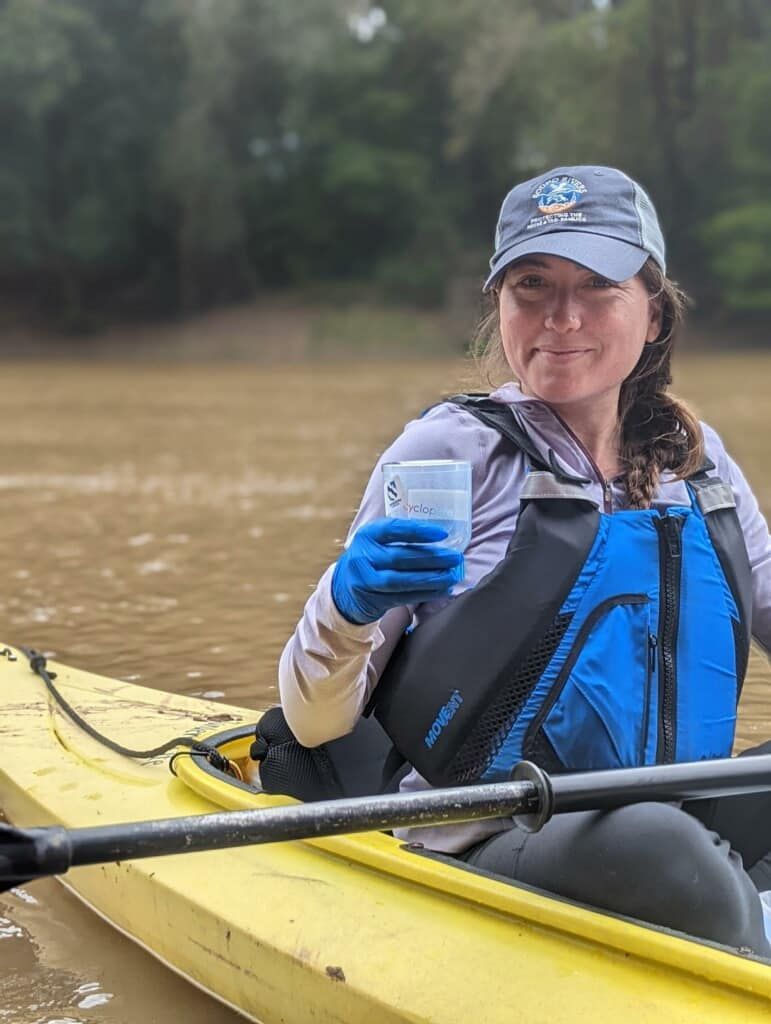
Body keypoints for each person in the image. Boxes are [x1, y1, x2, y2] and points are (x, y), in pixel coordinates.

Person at [278, 165, 771, 954]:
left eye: (596, 286)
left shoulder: (695, 462)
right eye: (531, 285)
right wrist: (346, 603)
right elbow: (313, 719)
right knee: (656, 848)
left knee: (663, 839)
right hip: (489, 836)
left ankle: (727, 914)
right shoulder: (446, 452)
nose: (560, 317)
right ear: (499, 307)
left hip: (671, 818)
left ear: (651, 314)